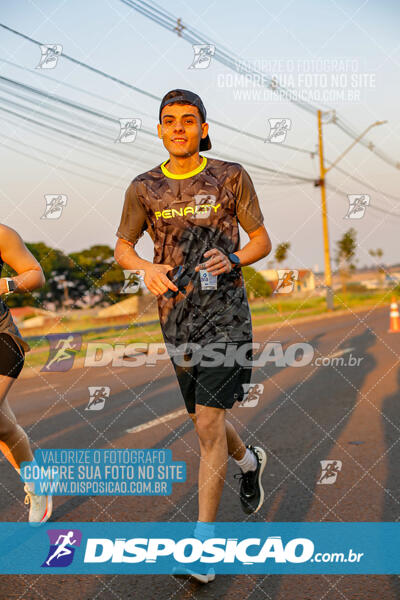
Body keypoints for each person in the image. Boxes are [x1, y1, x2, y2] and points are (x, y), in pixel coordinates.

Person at [114, 89, 272, 583]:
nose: (178, 127)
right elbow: (122, 247)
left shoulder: (230, 176)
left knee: (205, 428)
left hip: (226, 317)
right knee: (209, 420)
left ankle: (203, 551)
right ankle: (250, 462)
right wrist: (144, 268)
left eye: (188, 120)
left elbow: (263, 240)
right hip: (175, 319)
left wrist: (235, 258)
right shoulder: (142, 188)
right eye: (169, 120)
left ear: (203, 128)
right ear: (159, 130)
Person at [0, 224, 52, 525]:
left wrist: (5, 284)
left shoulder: (2, 234)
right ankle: (37, 482)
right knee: (4, 430)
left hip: (2, 338)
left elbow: (35, 274)